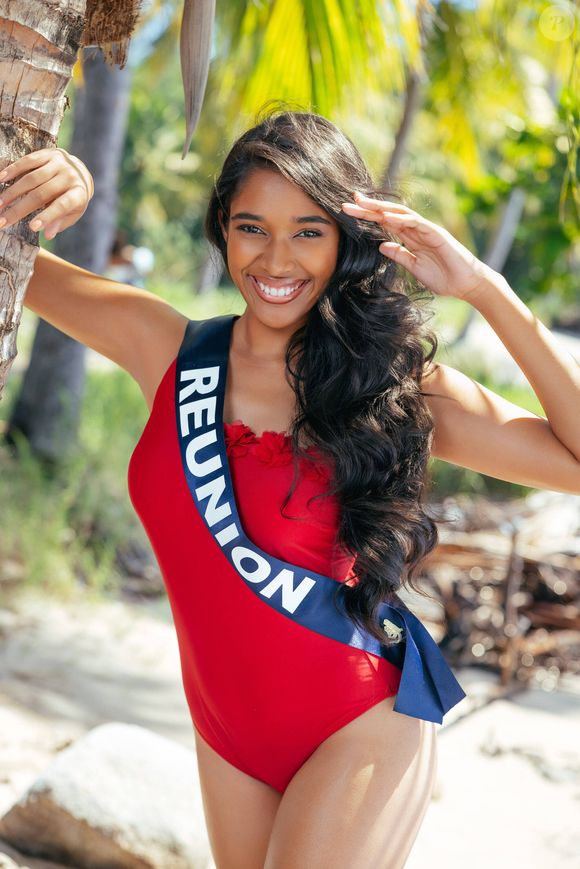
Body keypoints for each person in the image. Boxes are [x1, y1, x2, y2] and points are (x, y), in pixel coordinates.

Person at [1, 110, 579, 869]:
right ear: (222, 229)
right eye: (252, 227)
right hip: (226, 732)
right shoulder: (166, 349)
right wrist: (61, 187)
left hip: (360, 718)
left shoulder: (397, 388)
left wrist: (486, 289)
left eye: (308, 230)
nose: (277, 257)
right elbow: (15, 259)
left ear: (346, 241)